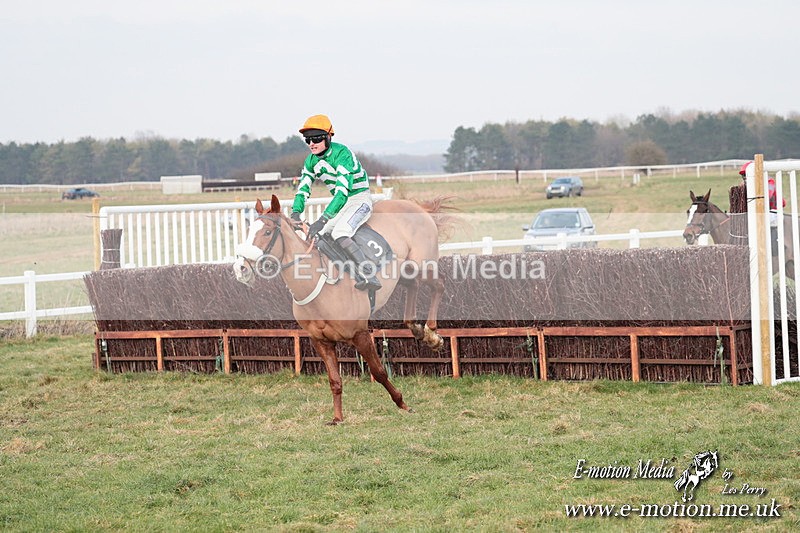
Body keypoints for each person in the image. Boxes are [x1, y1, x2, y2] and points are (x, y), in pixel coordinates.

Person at [290, 114, 381, 291]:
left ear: (328, 137)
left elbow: (341, 193)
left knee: (340, 232)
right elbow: (303, 189)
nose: (311, 144)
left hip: (359, 199)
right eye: (307, 139)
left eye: (316, 138)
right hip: (342, 204)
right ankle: (348, 273)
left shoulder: (342, 154)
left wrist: (322, 219)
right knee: (320, 237)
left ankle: (369, 274)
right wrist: (295, 213)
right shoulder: (310, 161)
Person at [739, 161, 785, 255]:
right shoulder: (745, 184)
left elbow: (765, 197)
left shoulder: (769, 182)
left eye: (746, 175)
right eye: (743, 176)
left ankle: (772, 248)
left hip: (773, 211)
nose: (745, 178)